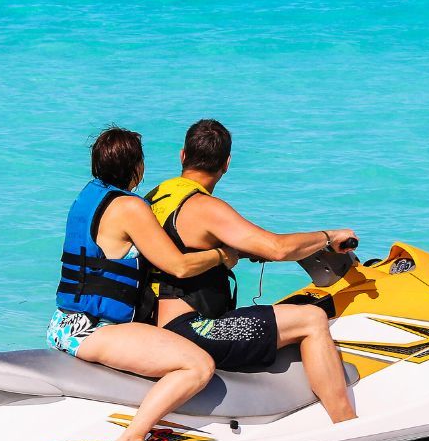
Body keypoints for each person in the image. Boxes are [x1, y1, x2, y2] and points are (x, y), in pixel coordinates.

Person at [146, 120, 357, 423]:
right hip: (192, 329)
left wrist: (240, 252)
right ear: (227, 163)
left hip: (158, 323)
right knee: (312, 318)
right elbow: (277, 248)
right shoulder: (205, 207)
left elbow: (182, 247)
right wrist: (329, 236)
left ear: (182, 155)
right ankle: (345, 423)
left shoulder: (156, 197)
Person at [48, 126, 239, 441]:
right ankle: (132, 437)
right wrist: (221, 255)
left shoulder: (89, 197)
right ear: (137, 168)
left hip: (65, 322)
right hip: (93, 330)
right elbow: (178, 265)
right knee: (197, 365)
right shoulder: (130, 207)